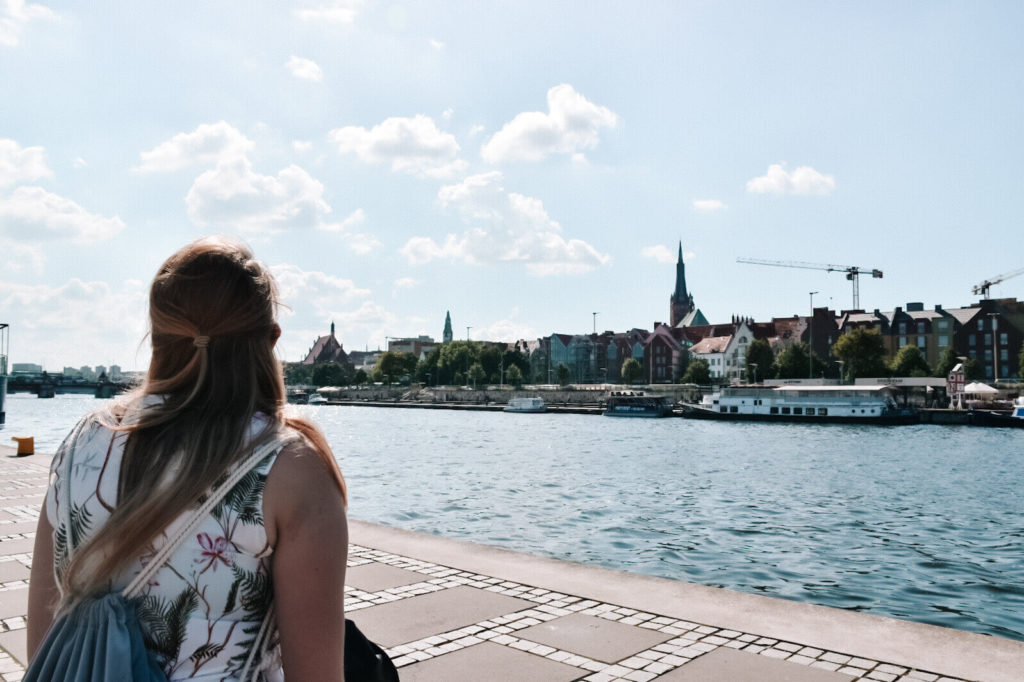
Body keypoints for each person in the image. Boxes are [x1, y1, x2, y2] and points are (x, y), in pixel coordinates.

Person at [27, 237, 348, 681]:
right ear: (271, 340)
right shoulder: (289, 467)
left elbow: (44, 645)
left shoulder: (81, 441)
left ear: (157, 335)